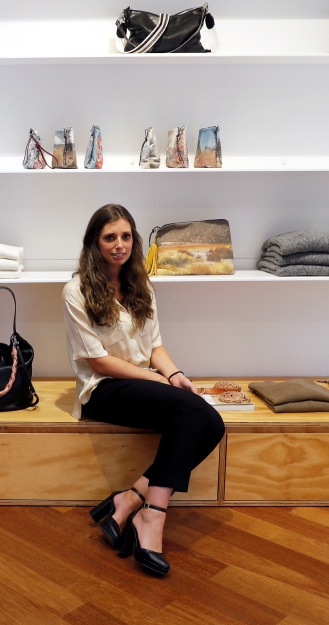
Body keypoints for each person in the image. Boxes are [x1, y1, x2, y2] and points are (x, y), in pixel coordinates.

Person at [61, 204, 225, 575]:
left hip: (143, 382)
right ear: (94, 242)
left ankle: (131, 496)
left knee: (212, 423)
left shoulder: (141, 284)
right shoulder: (76, 290)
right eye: (109, 237)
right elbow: (99, 362)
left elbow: (155, 346)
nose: (119, 245)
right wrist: (160, 380)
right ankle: (152, 516)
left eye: (125, 236)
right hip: (103, 389)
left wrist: (175, 373)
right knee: (191, 410)